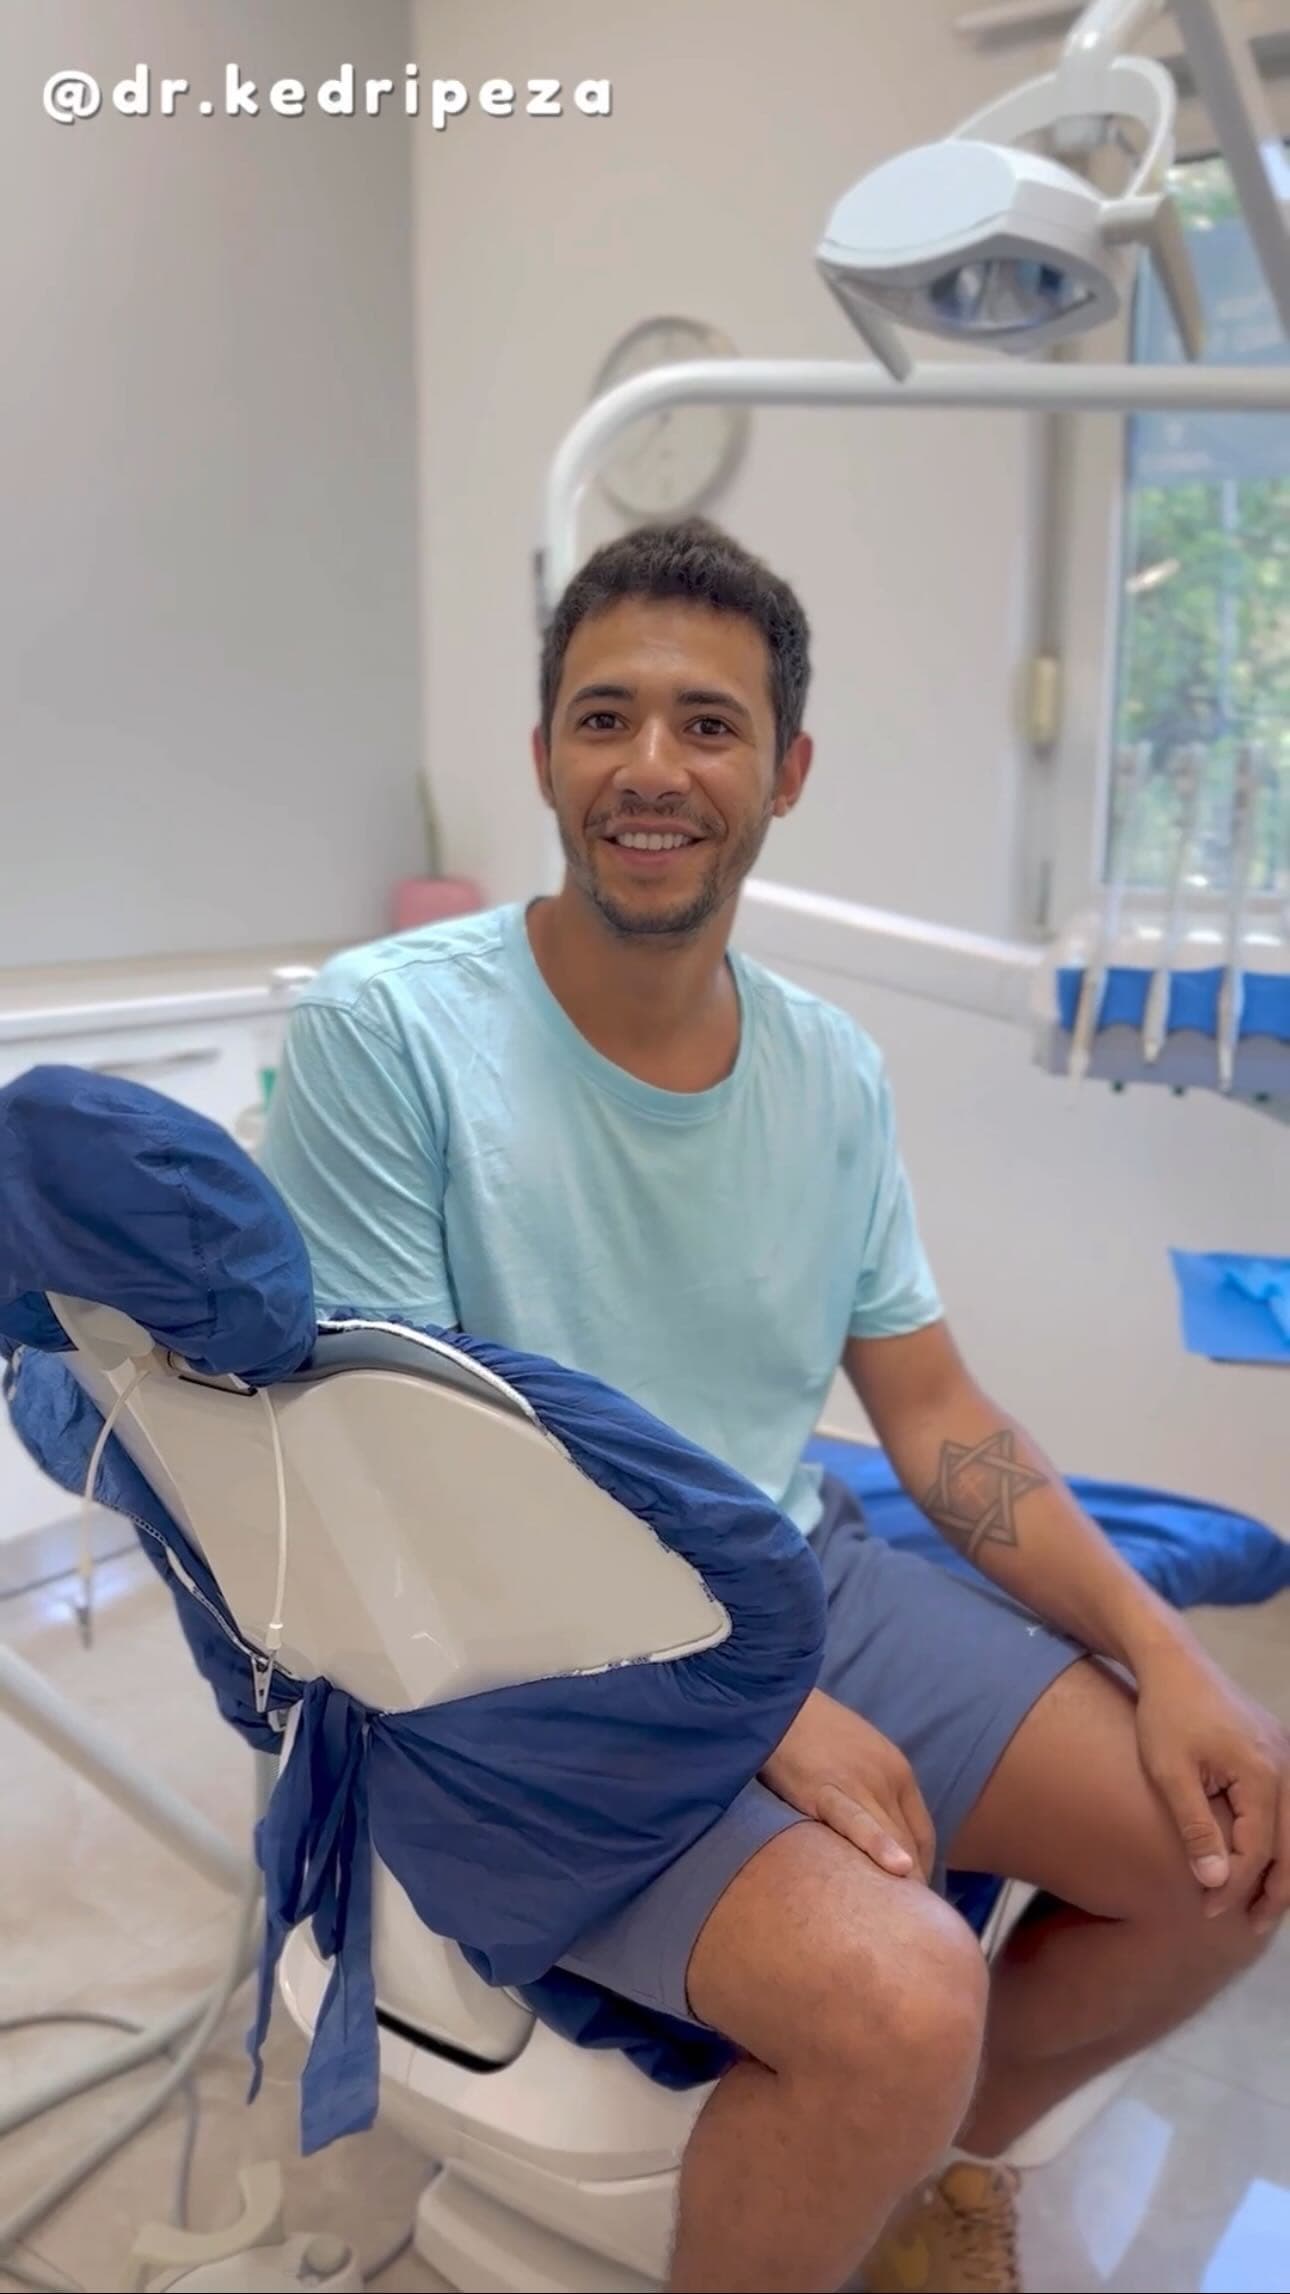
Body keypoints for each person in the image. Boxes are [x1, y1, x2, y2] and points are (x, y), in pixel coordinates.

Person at [261, 518, 1289, 2294]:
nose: (651, 766)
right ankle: (871, 2127)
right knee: (901, 1993)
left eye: (708, 723)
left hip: (788, 1572)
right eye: (605, 717)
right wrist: (747, 1710)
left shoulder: (825, 1070)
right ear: (543, 755)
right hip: (510, 1659)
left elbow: (933, 1409)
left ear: (786, 771)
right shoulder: (389, 1033)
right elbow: (392, 1473)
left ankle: (915, 2180)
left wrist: (1164, 1648)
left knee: (1226, 1855)